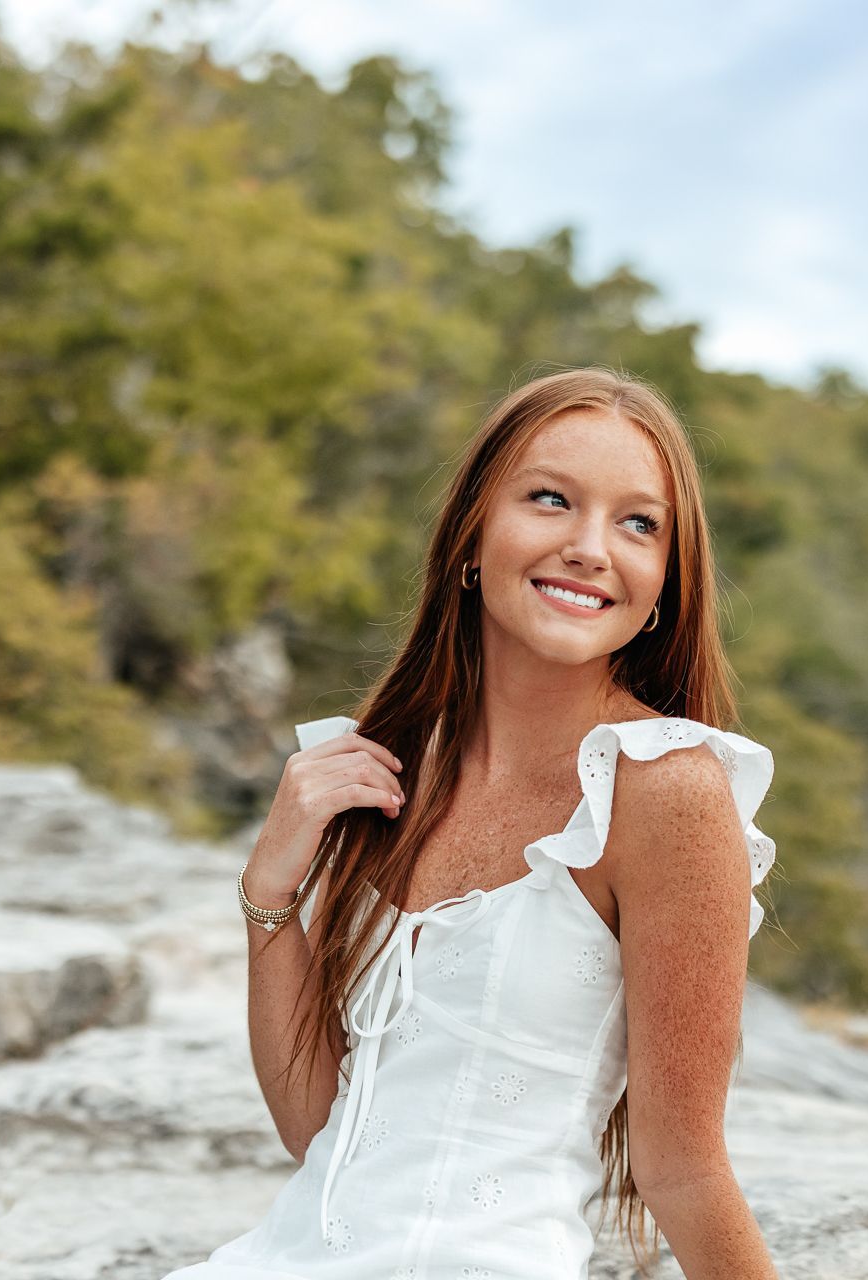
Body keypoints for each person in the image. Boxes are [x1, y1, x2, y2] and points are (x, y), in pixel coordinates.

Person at [164, 366, 784, 1279]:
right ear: (471, 536)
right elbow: (324, 1135)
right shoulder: (387, 771)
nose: (588, 547)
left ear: (663, 582)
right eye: (549, 500)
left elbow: (683, 1169)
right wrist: (269, 896)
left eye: (637, 523)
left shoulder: (668, 790)